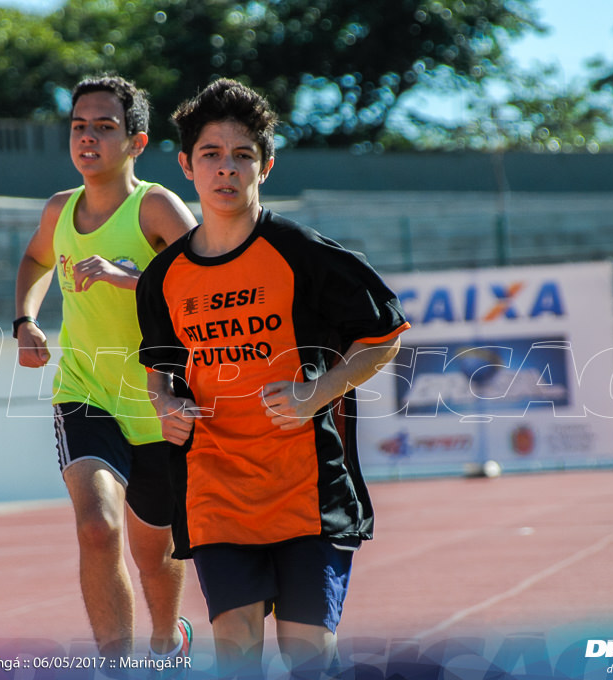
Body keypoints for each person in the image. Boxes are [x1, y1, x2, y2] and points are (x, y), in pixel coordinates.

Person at [136, 79, 410, 679]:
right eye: (210, 154)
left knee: (308, 658)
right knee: (236, 656)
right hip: (215, 491)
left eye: (242, 155)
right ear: (186, 165)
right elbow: (160, 371)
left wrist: (319, 391)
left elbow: (384, 335)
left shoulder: (303, 253)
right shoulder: (163, 278)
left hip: (305, 491)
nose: (226, 169)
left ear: (266, 164)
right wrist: (165, 406)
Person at [14, 74, 198, 665]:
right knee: (97, 528)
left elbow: (207, 286)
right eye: (78, 126)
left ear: (136, 142)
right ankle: (114, 666)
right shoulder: (59, 210)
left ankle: (168, 640)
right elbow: (36, 259)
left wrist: (131, 279)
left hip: (158, 399)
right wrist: (25, 320)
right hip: (85, 392)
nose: (87, 137)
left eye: (104, 126)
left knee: (154, 551)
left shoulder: (157, 207)